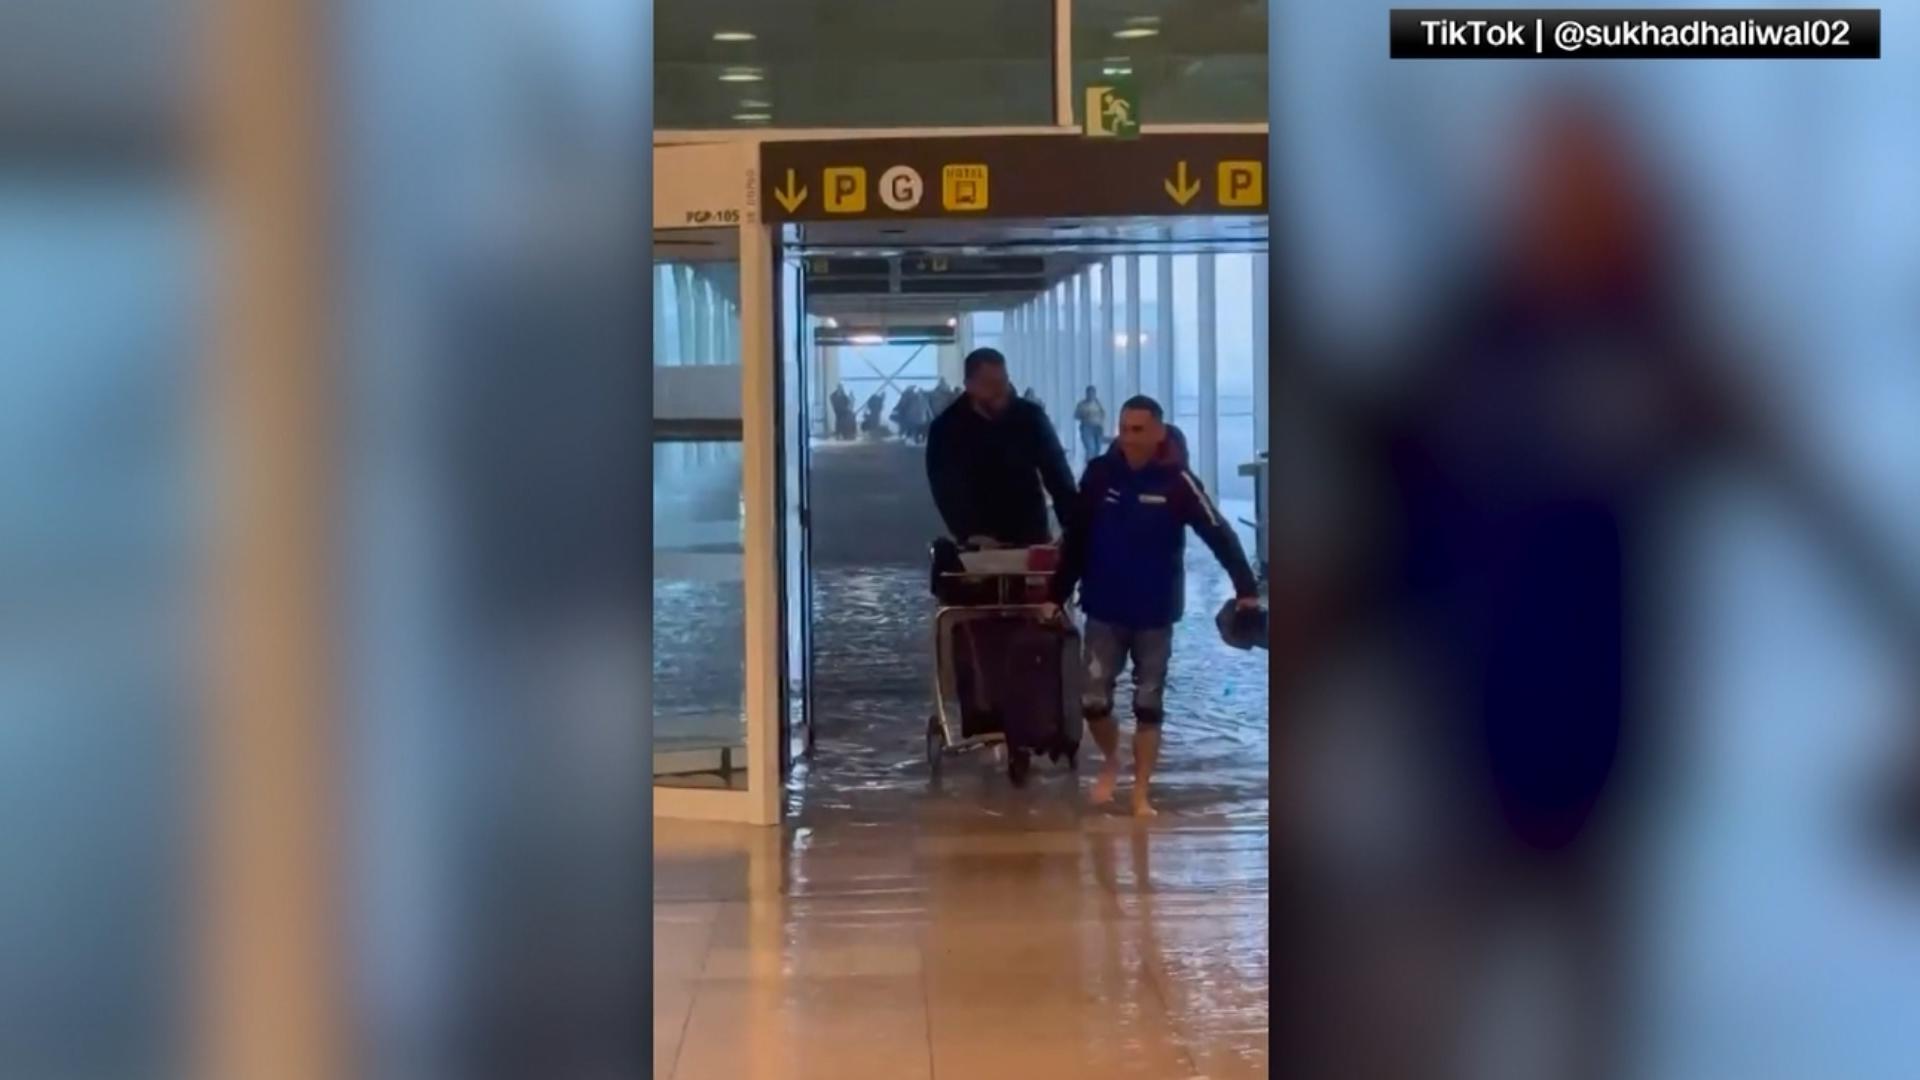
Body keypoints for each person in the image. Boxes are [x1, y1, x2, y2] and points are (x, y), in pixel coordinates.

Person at [1044, 395, 1262, 817]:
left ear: (1159, 432)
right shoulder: (1100, 476)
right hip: (1104, 607)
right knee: (1093, 700)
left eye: (1139, 430)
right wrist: (1055, 596)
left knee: (1148, 702)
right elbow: (1076, 539)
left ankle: (1141, 792)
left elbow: (1217, 531)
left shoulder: (1178, 481)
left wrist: (1245, 587)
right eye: (1124, 429)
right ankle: (1112, 759)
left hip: (1155, 612)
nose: (1129, 438)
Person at [926, 348, 1078, 548]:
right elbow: (946, 487)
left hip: (1030, 531)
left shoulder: (1030, 418)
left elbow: (1057, 473)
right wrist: (968, 531)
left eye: (1003, 381)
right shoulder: (946, 429)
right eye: (990, 384)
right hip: (978, 536)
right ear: (969, 385)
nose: (1000, 391)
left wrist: (1073, 527)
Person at [1073, 385, 1107, 463]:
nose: (1091, 395)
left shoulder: (1098, 403)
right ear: (1086, 394)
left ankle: (1095, 465)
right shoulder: (1082, 404)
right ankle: (1089, 465)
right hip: (1087, 428)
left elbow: (1103, 414)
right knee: (1091, 448)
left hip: (1098, 428)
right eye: (1089, 393)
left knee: (1097, 449)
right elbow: (1076, 415)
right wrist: (1084, 414)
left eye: (1092, 393)